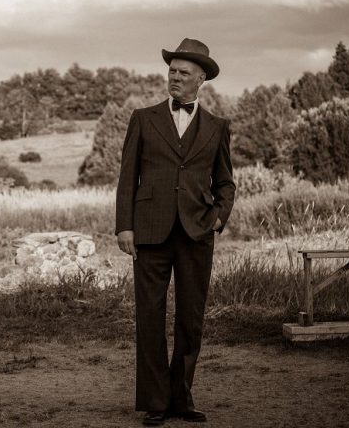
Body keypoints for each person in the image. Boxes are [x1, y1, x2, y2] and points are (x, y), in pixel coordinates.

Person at [116, 38, 235, 425]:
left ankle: (182, 398)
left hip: (198, 233)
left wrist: (219, 217)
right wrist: (125, 227)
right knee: (149, 317)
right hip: (149, 232)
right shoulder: (143, 118)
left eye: (184, 73)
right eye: (172, 71)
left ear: (201, 79)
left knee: (191, 317)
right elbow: (126, 178)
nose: (176, 77)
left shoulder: (218, 127)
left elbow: (226, 183)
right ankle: (155, 401)